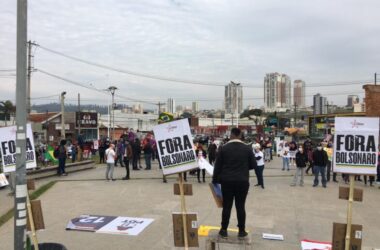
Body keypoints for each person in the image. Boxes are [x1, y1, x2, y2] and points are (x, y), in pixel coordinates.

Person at [213, 128, 257, 238]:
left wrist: (215, 181)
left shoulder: (223, 148)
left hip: (227, 181)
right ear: (240, 135)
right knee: (240, 206)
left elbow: (217, 167)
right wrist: (244, 167)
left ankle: (223, 230)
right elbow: (254, 165)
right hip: (242, 181)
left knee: (227, 206)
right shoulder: (247, 149)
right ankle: (241, 231)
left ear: (231, 135)